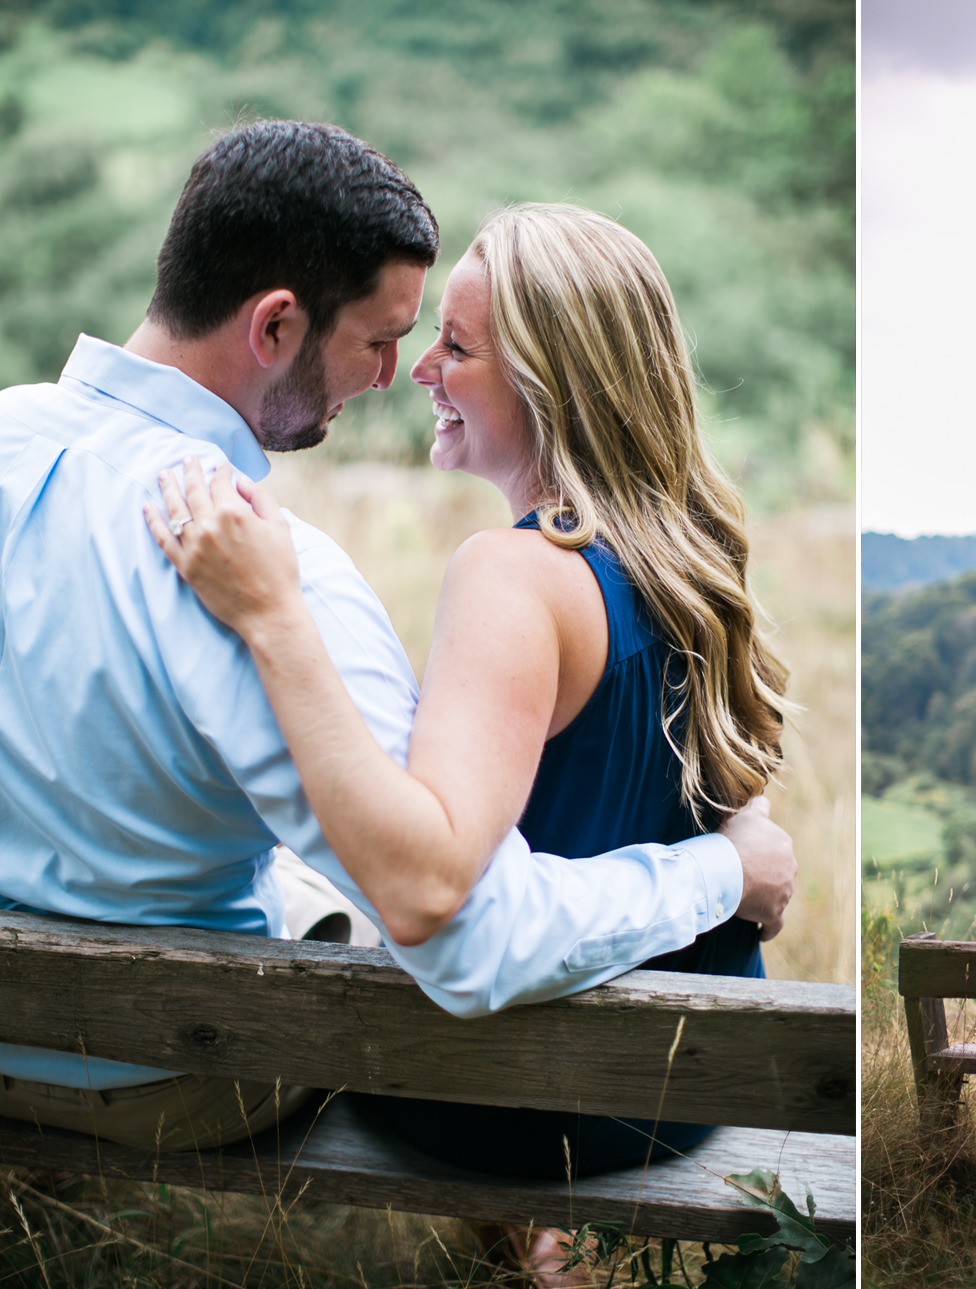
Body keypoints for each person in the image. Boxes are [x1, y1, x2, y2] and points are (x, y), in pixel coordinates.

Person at [0, 121, 795, 1164]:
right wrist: (721, 870)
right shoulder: (281, 573)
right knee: (329, 897)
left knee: (314, 888)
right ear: (276, 325)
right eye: (382, 338)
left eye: (444, 347)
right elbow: (454, 920)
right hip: (174, 1070)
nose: (396, 373)